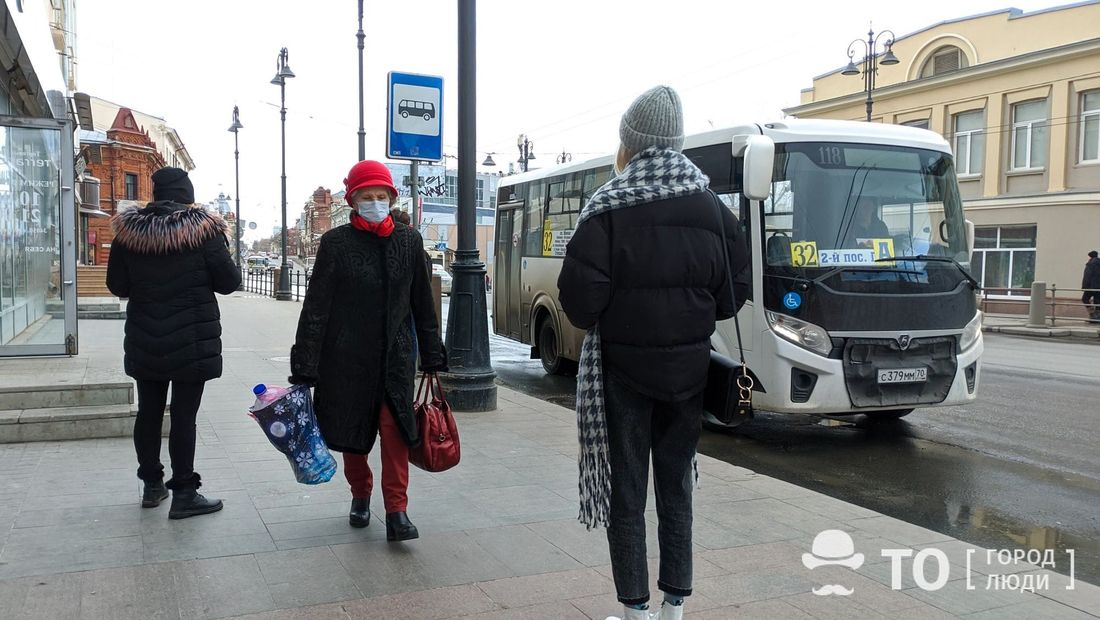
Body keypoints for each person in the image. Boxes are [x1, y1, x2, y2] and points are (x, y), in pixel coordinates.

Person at [557, 86, 750, 620]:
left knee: (628, 494)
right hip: (688, 374)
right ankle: (675, 604)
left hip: (621, 374)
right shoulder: (712, 207)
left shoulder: (608, 207)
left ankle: (634, 609)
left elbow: (579, 304)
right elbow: (736, 291)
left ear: (631, 144)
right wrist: (689, 317)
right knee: (676, 487)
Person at [290, 160, 446, 541]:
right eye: (367, 196)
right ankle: (360, 494)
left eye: (382, 196)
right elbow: (316, 308)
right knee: (353, 435)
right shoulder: (336, 243)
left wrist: (432, 355)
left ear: (392, 199)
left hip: (395, 358)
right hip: (345, 358)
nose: (375, 203)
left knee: (395, 434)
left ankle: (397, 511)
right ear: (354, 199)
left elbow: (422, 303)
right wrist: (306, 365)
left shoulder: (409, 241)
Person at [106, 167, 241, 519]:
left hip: (145, 338)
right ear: (187, 195)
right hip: (192, 339)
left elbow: (118, 286)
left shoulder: (128, 233)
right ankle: (184, 493)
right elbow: (229, 282)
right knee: (184, 415)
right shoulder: (205, 231)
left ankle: (152, 485)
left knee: (149, 412)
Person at [1083, 250, 1100, 322]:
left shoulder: (1090, 264)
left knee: (1085, 298)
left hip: (1090, 286)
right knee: (1097, 301)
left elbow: (1087, 276)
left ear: (1090, 256)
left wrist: (1084, 286)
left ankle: (1092, 314)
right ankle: (1097, 316)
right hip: (1098, 286)